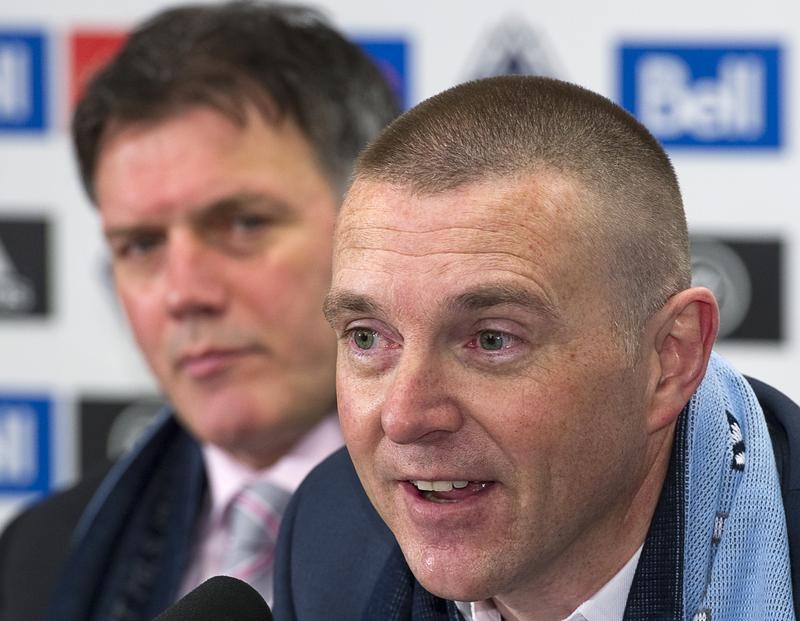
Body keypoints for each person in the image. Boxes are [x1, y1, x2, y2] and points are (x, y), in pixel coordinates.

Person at [273, 75, 798, 620]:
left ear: (669, 360)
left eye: (492, 340)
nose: (405, 417)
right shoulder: (328, 540)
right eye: (367, 337)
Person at [0, 3, 397, 620]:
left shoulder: (509, 533)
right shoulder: (42, 556)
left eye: (243, 223)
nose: (183, 293)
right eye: (141, 245)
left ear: (374, 222)